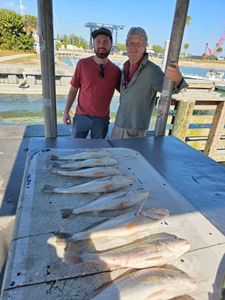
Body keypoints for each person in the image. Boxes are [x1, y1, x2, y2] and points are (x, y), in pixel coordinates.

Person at [111, 27, 188, 139]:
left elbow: (172, 90)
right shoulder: (125, 67)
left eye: (139, 44)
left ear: (145, 47)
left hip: (135, 130)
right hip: (118, 124)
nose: (134, 47)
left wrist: (178, 77)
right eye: (131, 42)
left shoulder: (152, 70)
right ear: (126, 45)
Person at [63, 27, 121, 138]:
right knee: (76, 148)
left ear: (111, 45)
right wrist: (66, 112)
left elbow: (126, 93)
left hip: (102, 120)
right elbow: (73, 89)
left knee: (97, 152)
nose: (101, 45)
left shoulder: (116, 71)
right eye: (98, 41)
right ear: (93, 44)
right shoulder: (82, 64)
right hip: (81, 117)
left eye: (105, 42)